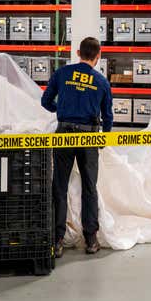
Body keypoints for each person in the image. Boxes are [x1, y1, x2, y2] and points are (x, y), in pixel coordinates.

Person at [41, 36, 113, 256]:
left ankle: (57, 240)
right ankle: (91, 239)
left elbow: (45, 101)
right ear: (98, 56)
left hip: (64, 134)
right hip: (89, 136)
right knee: (90, 187)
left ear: (78, 53)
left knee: (59, 186)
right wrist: (103, 139)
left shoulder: (62, 74)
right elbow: (108, 117)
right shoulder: (101, 81)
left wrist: (61, 109)